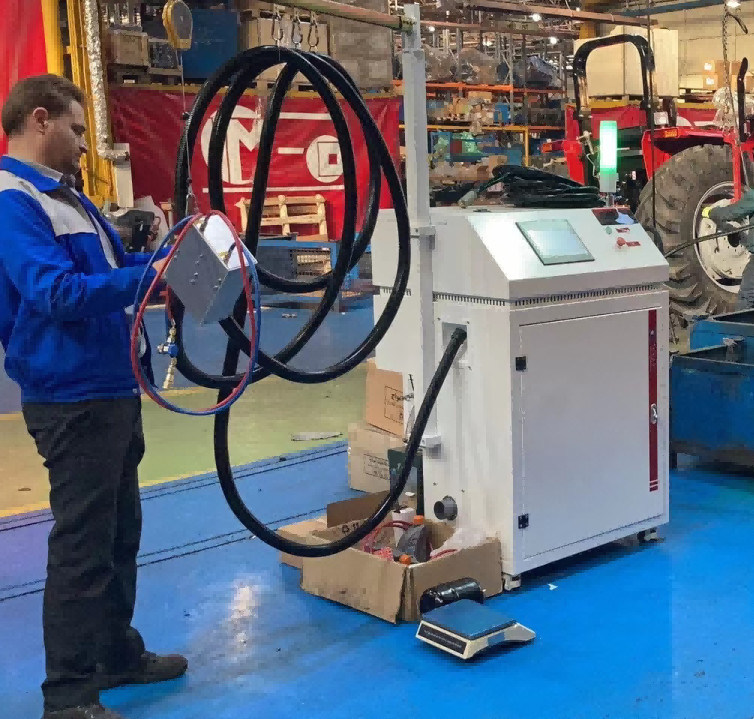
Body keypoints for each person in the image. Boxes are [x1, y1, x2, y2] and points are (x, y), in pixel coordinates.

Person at [0, 74, 187, 719]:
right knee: (83, 546)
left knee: (118, 534)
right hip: (71, 395)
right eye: (77, 130)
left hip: (109, 386)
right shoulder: (14, 200)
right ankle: (70, 695)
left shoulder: (67, 198)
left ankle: (114, 654)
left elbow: (107, 275)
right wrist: (150, 276)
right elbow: (55, 293)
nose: (85, 143)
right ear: (40, 120)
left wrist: (162, 262)